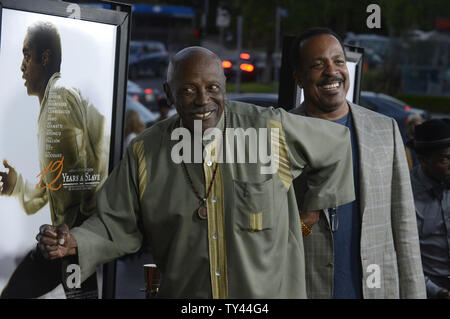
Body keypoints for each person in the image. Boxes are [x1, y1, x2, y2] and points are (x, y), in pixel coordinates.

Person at [36, 46, 356, 298]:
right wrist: (74, 241)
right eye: (189, 90)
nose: (204, 100)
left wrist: (311, 208)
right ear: (168, 92)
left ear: (225, 86)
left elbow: (338, 145)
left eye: (213, 87)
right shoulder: (144, 153)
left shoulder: (270, 129)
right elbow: (116, 223)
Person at [290, 28, 426, 299]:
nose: (332, 71)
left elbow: (404, 224)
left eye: (338, 61)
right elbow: (270, 234)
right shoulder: (281, 134)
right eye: (318, 65)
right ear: (299, 79)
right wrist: (305, 221)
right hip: (308, 289)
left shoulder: (384, 129)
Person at [0, 21, 107, 298]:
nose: (22, 67)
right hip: (66, 241)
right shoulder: (52, 102)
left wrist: (75, 239)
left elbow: (83, 176)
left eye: (26, 55)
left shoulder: (58, 100)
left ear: (44, 58)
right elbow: (56, 182)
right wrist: (18, 185)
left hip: (70, 241)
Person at [407, 119, 450, 299]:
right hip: (426, 288)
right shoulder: (404, 193)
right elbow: (400, 255)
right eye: (445, 159)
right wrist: (437, 292)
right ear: (423, 160)